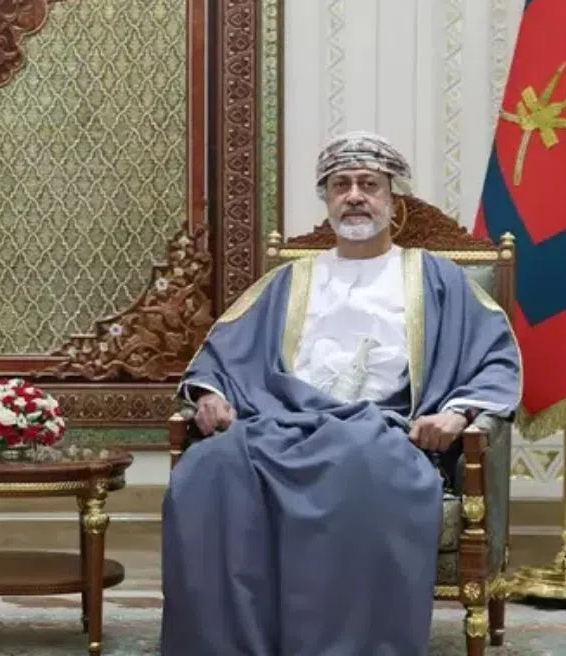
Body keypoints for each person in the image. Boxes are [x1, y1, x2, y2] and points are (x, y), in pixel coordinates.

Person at [160, 131, 522, 655]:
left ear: (392, 199)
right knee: (209, 468)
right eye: (341, 185)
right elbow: (225, 354)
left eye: (368, 185)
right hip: (280, 422)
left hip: (383, 429)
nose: (354, 195)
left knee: (358, 466)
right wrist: (210, 393)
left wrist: (458, 413)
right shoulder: (290, 280)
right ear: (326, 198)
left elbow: (494, 358)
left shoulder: (436, 278)